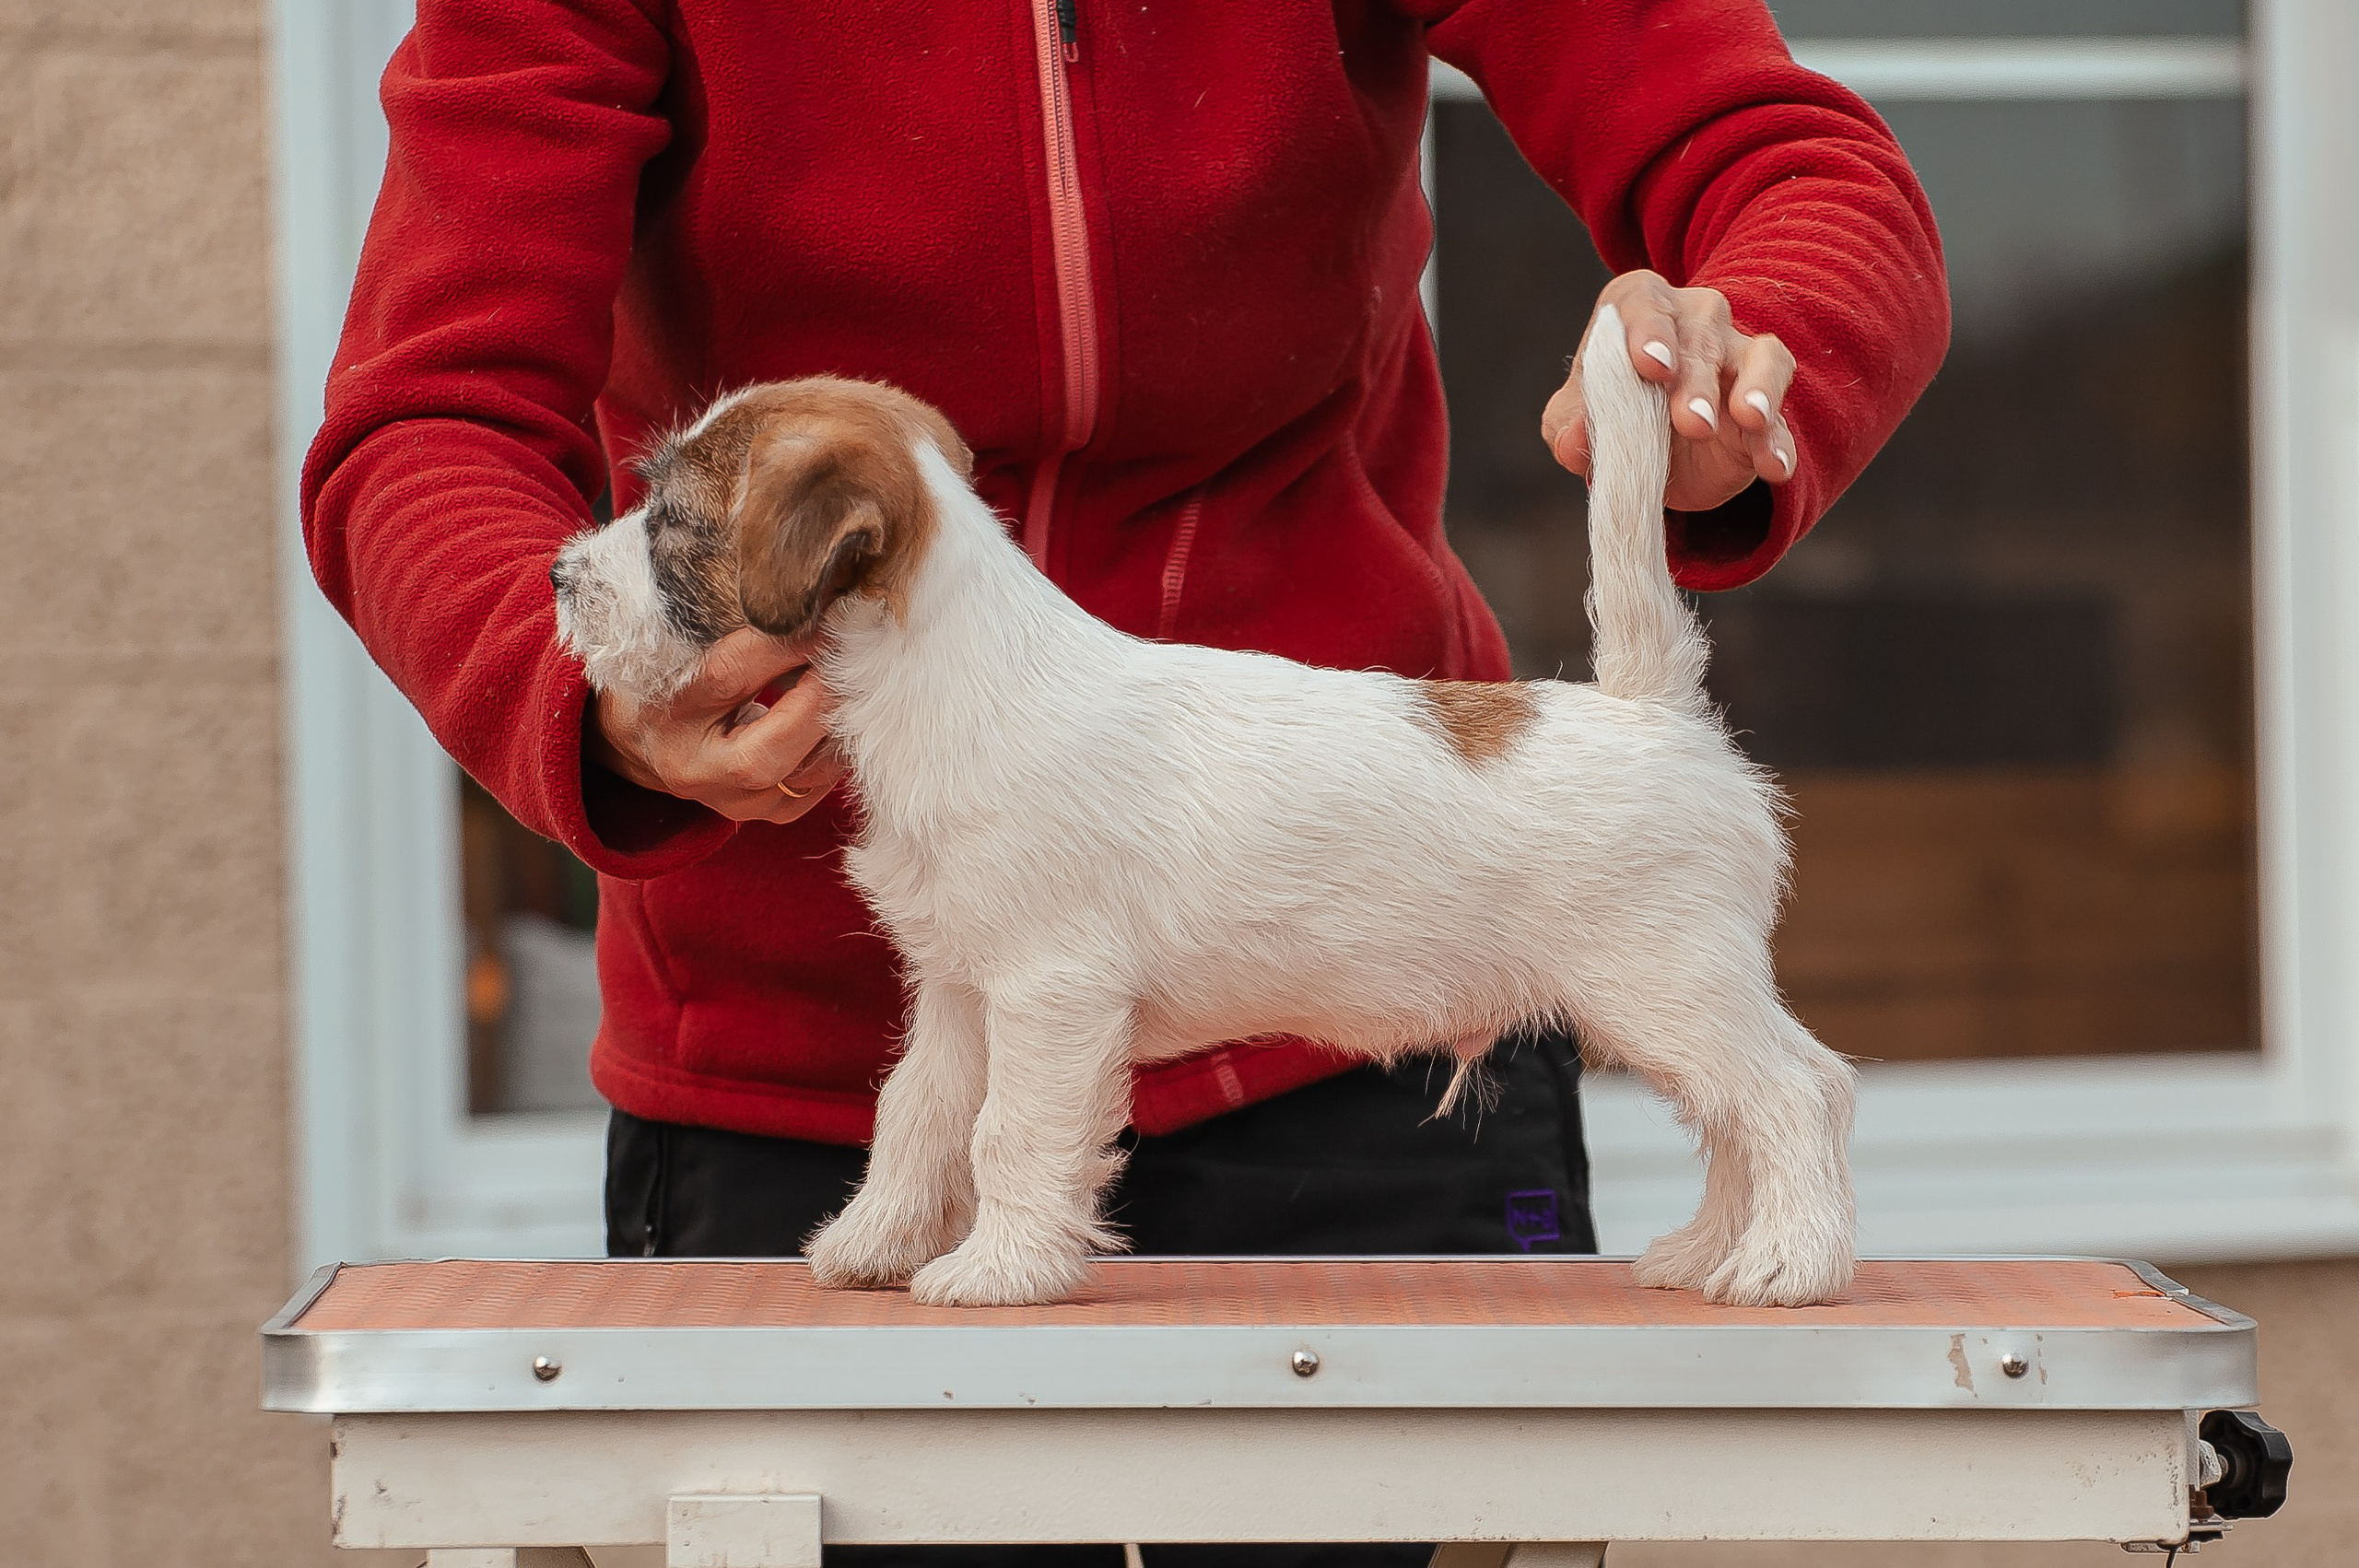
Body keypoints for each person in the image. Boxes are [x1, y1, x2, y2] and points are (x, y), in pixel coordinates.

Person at [302, 2, 1945, 1559]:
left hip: (1368, 1045)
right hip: (764, 1070)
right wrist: (581, 704)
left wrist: (1749, 360)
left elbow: (1789, 156)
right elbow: (422, 411)